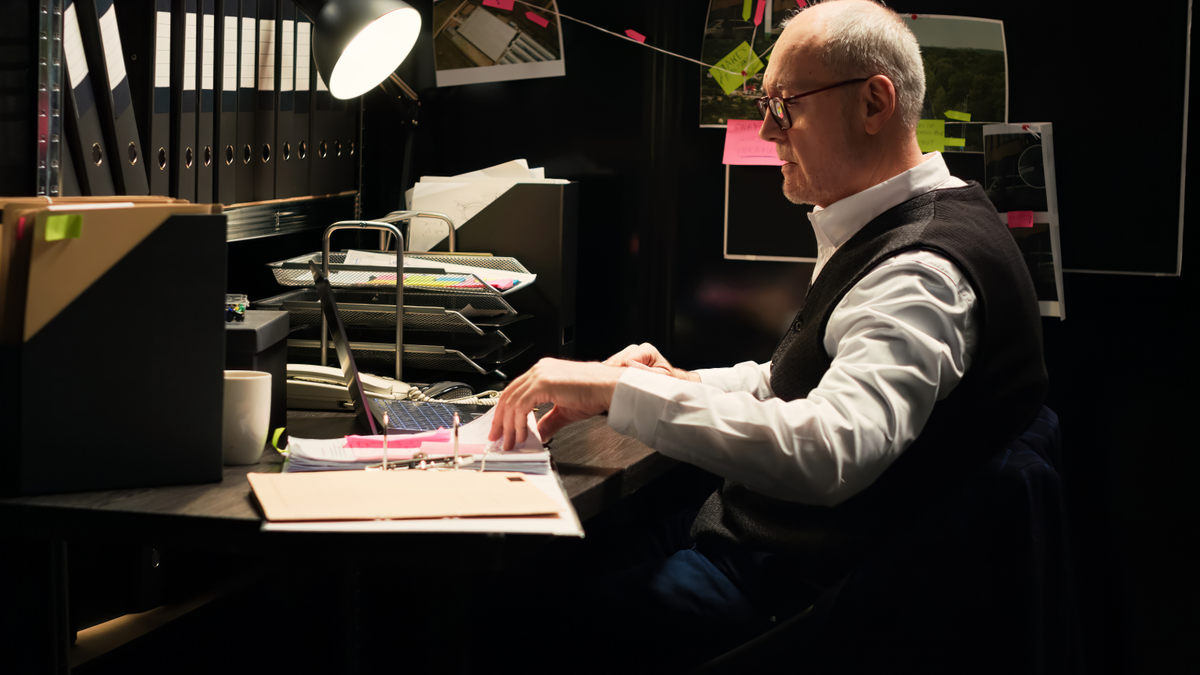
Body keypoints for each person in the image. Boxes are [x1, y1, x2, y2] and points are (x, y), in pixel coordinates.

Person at [485, 0, 1047, 668]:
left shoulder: (921, 274)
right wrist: (665, 383)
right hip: (764, 542)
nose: (767, 129)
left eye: (785, 105)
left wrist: (622, 392)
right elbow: (795, 382)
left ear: (873, 103)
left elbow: (831, 450)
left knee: (519, 620)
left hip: (800, 590)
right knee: (543, 569)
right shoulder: (897, 221)